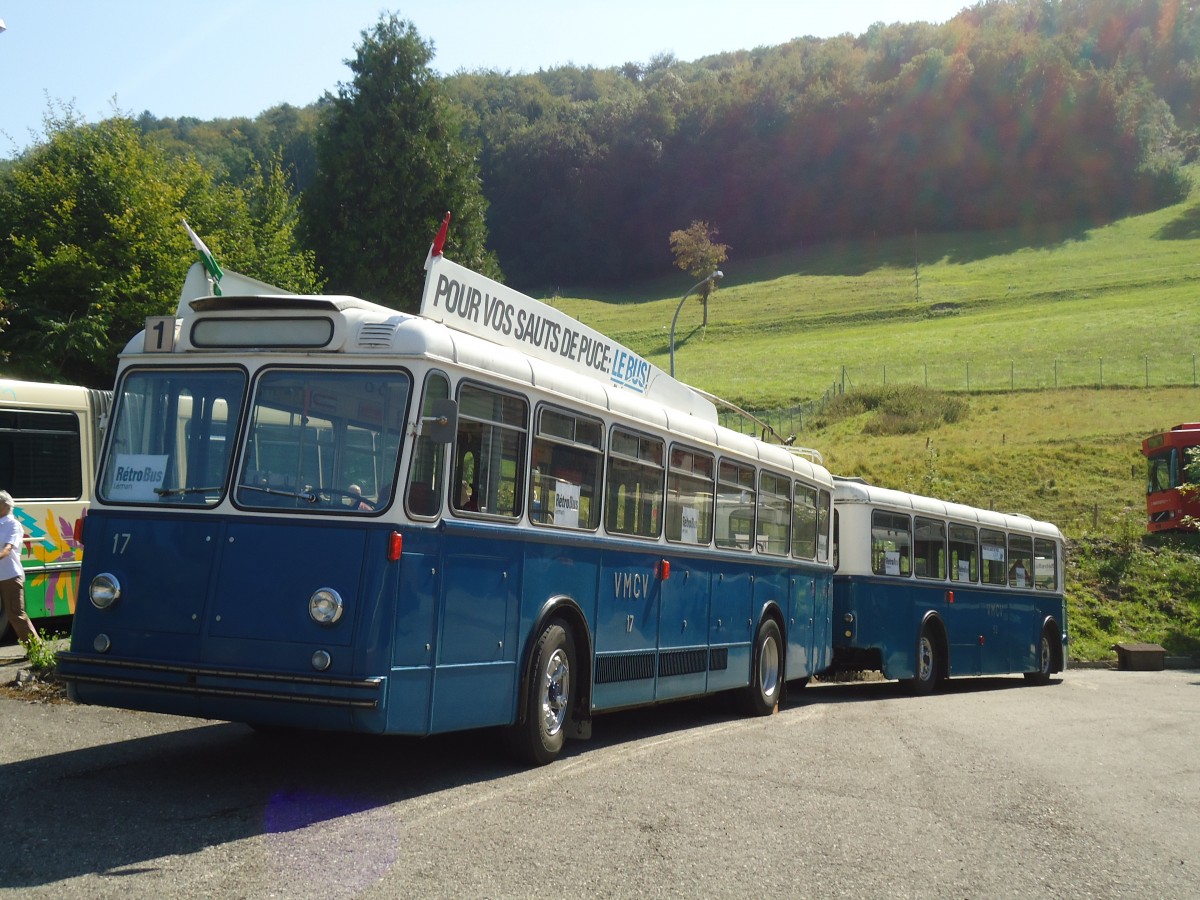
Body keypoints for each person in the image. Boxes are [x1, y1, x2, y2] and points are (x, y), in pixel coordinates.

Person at [0, 490, 38, 645]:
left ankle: (36, 649)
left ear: (5, 505)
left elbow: (7, 549)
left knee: (16, 614)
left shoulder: (13, 524)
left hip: (10, 575)